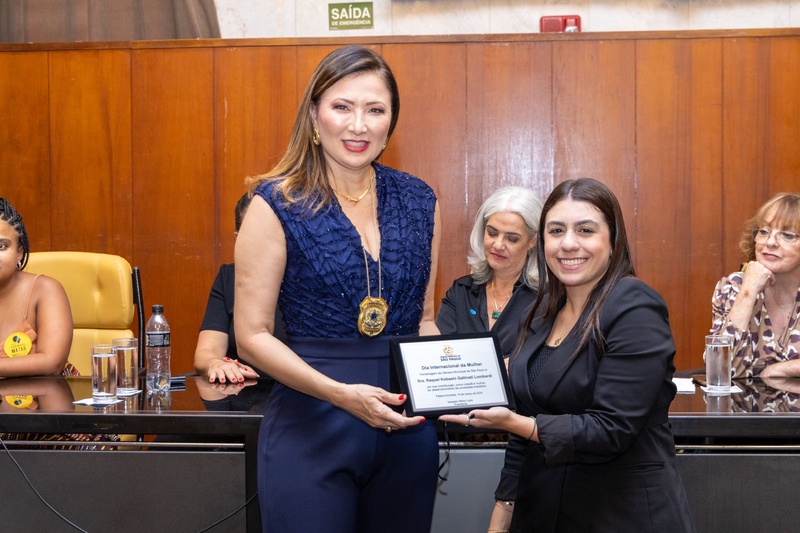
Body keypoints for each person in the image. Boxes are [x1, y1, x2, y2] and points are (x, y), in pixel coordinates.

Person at [234, 45, 441, 532]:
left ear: (391, 121)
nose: (358, 125)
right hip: (312, 421)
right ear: (314, 113)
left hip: (406, 429)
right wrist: (342, 395)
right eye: (342, 106)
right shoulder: (274, 203)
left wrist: (458, 385)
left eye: (375, 110)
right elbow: (252, 336)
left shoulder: (420, 200)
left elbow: (425, 320)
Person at [441, 178, 694, 532]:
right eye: (556, 230)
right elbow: (527, 414)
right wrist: (503, 512)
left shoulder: (634, 304)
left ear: (612, 239)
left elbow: (612, 428)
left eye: (586, 230)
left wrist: (514, 423)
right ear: (541, 241)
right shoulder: (544, 309)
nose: (568, 244)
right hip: (542, 510)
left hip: (620, 512)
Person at [435, 185, 542, 531]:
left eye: (512, 238)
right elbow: (441, 363)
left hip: (521, 438)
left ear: (532, 242)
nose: (497, 245)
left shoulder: (547, 299)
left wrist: (479, 367)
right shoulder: (460, 290)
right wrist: (505, 366)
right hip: (455, 433)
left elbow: (538, 372)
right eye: (492, 232)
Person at [194, 191, 286, 384]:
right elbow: (206, 352)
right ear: (238, 239)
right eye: (255, 234)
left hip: (302, 394)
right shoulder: (229, 277)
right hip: (244, 395)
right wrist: (215, 364)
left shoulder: (312, 278)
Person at [709, 192, 800, 379]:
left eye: (787, 235)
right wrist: (748, 290)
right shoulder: (732, 287)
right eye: (764, 231)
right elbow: (719, 371)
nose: (770, 242)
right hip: (743, 407)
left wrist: (781, 370)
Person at [0, 197, 73, 377]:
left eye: (1, 246)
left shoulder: (46, 290)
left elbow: (52, 362)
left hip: (43, 400)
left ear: (19, 253)